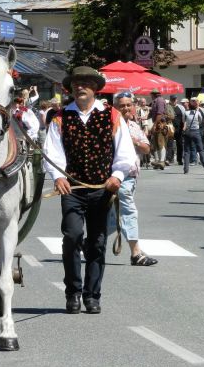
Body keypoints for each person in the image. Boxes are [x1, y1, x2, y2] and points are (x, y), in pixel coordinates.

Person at [42, 66, 137, 314]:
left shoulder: (112, 115)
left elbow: (125, 152)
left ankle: (92, 295)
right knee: (72, 236)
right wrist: (58, 176)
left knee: (96, 242)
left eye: (85, 83)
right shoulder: (60, 118)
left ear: (95, 88)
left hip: (101, 190)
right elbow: (52, 153)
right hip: (72, 189)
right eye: (76, 83)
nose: (79, 86)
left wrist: (117, 175)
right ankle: (72, 292)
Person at [112, 92, 158, 266]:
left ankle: (89, 242)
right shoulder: (111, 126)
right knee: (129, 212)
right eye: (122, 105)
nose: (126, 108)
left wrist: (135, 142)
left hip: (130, 177)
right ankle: (136, 253)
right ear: (115, 107)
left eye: (128, 105)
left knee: (111, 217)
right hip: (116, 177)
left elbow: (147, 148)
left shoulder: (134, 126)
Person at [182, 98, 204, 174]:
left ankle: (186, 169)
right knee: (201, 150)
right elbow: (201, 120)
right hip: (196, 131)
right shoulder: (198, 113)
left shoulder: (186, 113)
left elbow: (183, 121)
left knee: (187, 150)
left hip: (188, 132)